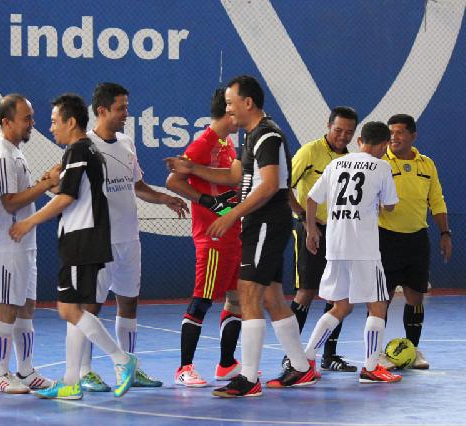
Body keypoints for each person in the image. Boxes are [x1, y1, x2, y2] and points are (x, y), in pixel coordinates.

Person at [166, 75, 317, 398]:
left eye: (231, 103)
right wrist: (192, 169)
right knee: (272, 298)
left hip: (264, 222)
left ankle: (248, 377)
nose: (228, 109)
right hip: (261, 222)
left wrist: (231, 215)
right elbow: (236, 175)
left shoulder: (267, 136)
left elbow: (269, 185)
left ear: (248, 103)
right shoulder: (252, 136)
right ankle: (301, 367)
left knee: (247, 295)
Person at [9, 93, 138, 400]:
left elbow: (67, 197)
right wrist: (55, 182)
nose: (51, 127)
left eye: (55, 121)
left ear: (71, 122)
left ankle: (121, 359)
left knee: (69, 310)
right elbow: (72, 189)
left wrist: (28, 222)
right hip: (83, 240)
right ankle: (70, 381)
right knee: (75, 311)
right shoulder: (84, 150)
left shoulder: (79, 149)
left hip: (83, 241)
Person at [75, 82, 187, 391]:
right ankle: (84, 371)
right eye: (121, 108)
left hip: (129, 239)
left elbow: (137, 186)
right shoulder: (84, 147)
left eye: (126, 107)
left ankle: (128, 368)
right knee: (90, 307)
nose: (126, 113)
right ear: (102, 110)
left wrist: (165, 198)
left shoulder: (126, 143)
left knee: (129, 304)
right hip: (99, 241)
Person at [302, 121, 402, 383]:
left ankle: (306, 360)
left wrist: (311, 230)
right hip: (364, 248)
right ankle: (371, 368)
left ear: (359, 140)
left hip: (336, 246)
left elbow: (311, 199)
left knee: (340, 306)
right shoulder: (382, 166)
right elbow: (390, 206)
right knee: (378, 306)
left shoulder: (336, 164)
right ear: (384, 145)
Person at [165, 87, 242, 387]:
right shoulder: (203, 144)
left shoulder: (227, 143)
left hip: (233, 233)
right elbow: (173, 180)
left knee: (236, 299)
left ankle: (226, 364)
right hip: (212, 237)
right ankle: (184, 368)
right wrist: (207, 201)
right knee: (202, 300)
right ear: (228, 111)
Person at [0, 94, 55, 394]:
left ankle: (25, 371)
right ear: (7, 122)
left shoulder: (15, 152)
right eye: (26, 118)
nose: (32, 123)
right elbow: (10, 203)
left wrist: (41, 183)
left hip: (23, 241)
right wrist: (46, 184)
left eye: (32, 117)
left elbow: (20, 195)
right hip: (6, 241)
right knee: (7, 307)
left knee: (26, 306)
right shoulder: (1, 154)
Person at [287, 106, 359, 372]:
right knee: (306, 291)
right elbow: (284, 186)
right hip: (310, 229)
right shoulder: (310, 152)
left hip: (339, 232)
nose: (342, 136)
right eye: (338, 130)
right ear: (328, 126)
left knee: (338, 295)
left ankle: (329, 356)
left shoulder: (350, 160)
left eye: (349, 132)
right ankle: (292, 355)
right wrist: (307, 222)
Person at [377, 114, 451, 370]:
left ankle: (413, 350)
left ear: (413, 136)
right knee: (381, 298)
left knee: (415, 297)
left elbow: (437, 201)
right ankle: (375, 353)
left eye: (399, 132)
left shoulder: (427, 164)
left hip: (417, 239)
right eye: (391, 133)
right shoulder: (380, 163)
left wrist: (445, 233)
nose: (394, 137)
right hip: (385, 238)